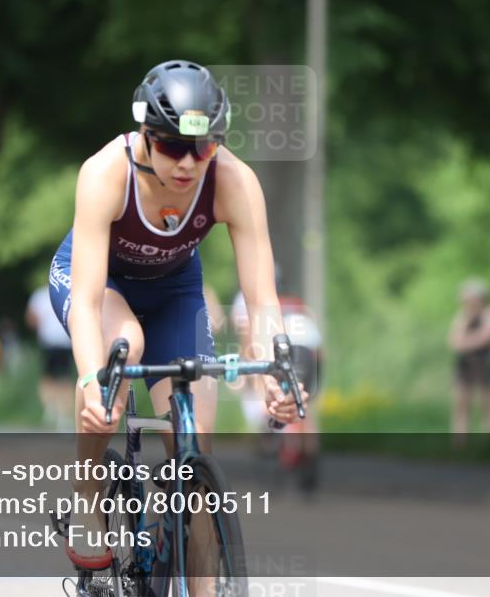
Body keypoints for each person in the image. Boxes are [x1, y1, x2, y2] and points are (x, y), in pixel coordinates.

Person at [48, 60, 308, 572]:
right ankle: (87, 491)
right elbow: (87, 303)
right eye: (171, 146)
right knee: (125, 345)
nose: (188, 163)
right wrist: (91, 382)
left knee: (193, 448)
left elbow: (261, 301)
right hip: (101, 285)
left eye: (203, 147)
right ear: (145, 135)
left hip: (174, 291)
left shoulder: (234, 180)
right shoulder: (105, 172)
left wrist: (275, 376)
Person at [448, 278, 490, 438]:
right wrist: (468, 329)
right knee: (461, 403)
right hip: (464, 363)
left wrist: (465, 342)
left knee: (486, 403)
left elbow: (487, 337)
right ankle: (460, 440)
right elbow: (453, 340)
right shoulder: (463, 315)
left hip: (484, 361)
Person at [26, 285, 74, 430]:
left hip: (60, 342)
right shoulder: (43, 294)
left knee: (58, 378)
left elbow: (31, 318)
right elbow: (31, 318)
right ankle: (54, 410)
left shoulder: (42, 294)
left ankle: (59, 412)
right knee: (55, 378)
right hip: (54, 342)